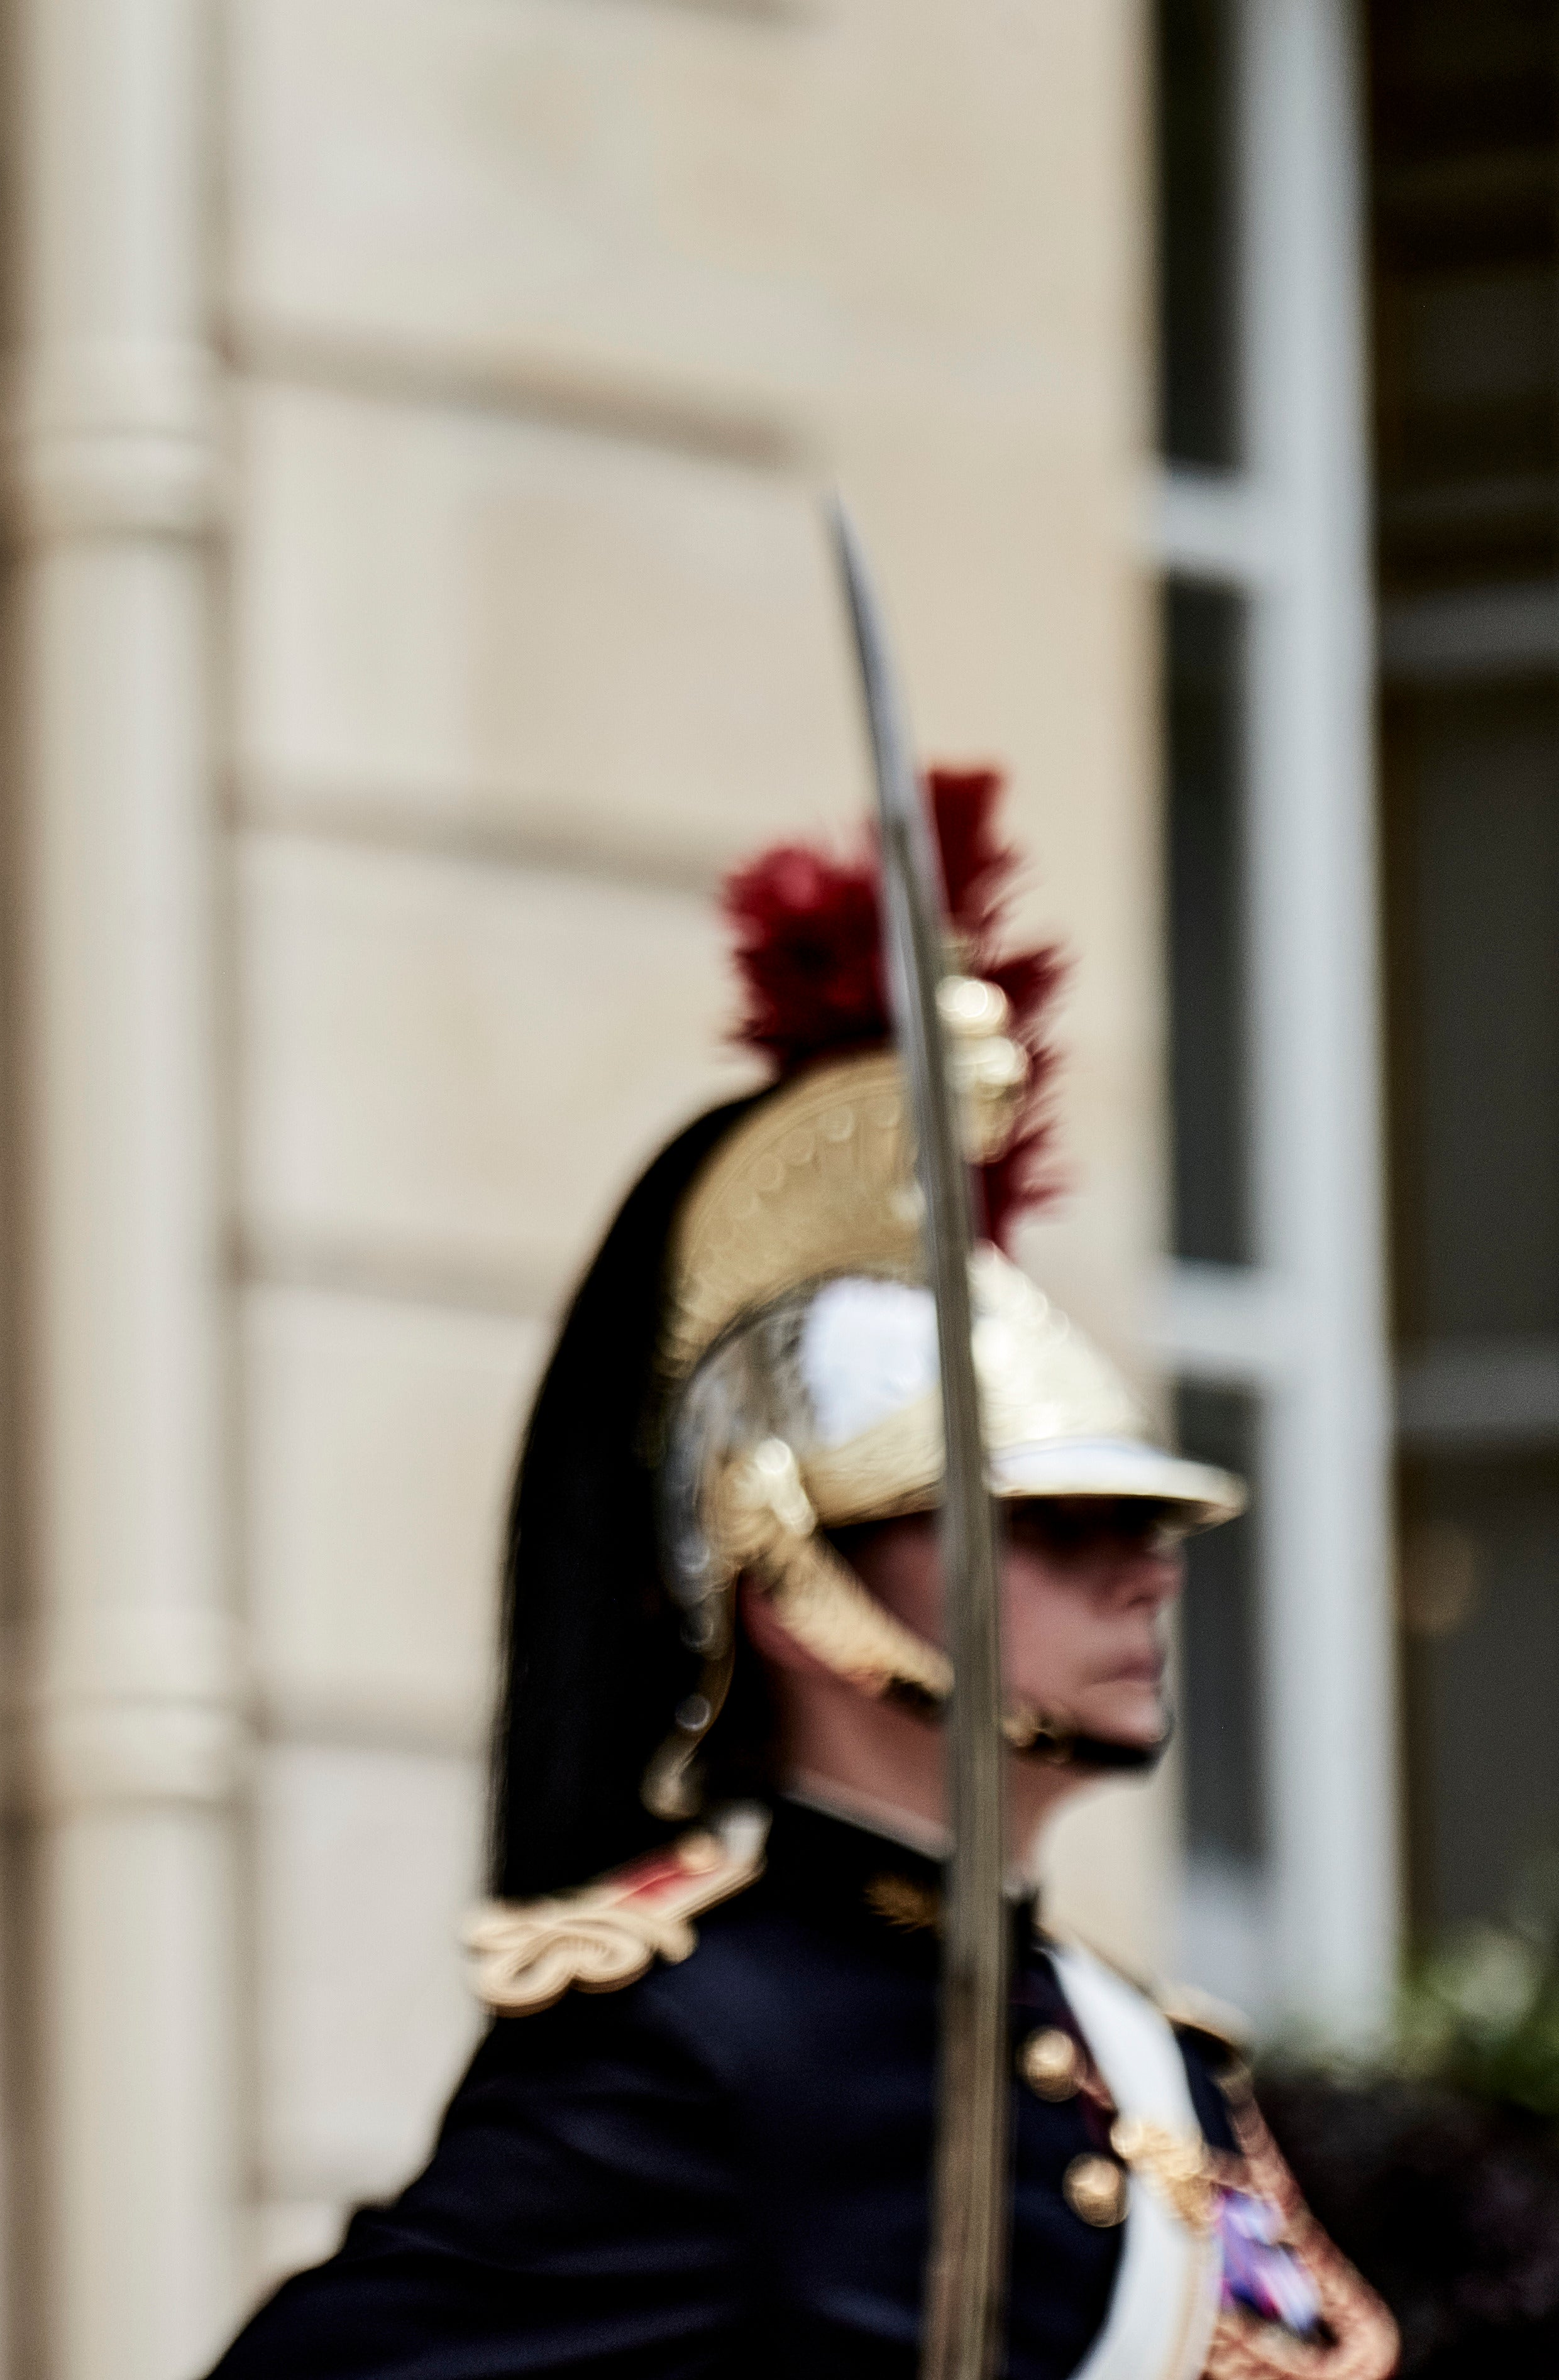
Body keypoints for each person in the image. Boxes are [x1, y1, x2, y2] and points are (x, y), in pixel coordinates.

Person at [210, 776, 1392, 2380]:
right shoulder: (699, 2049)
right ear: (785, 1578)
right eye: (1044, 1529)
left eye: (1143, 1528)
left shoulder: (1147, 2049)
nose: (1144, 1581)